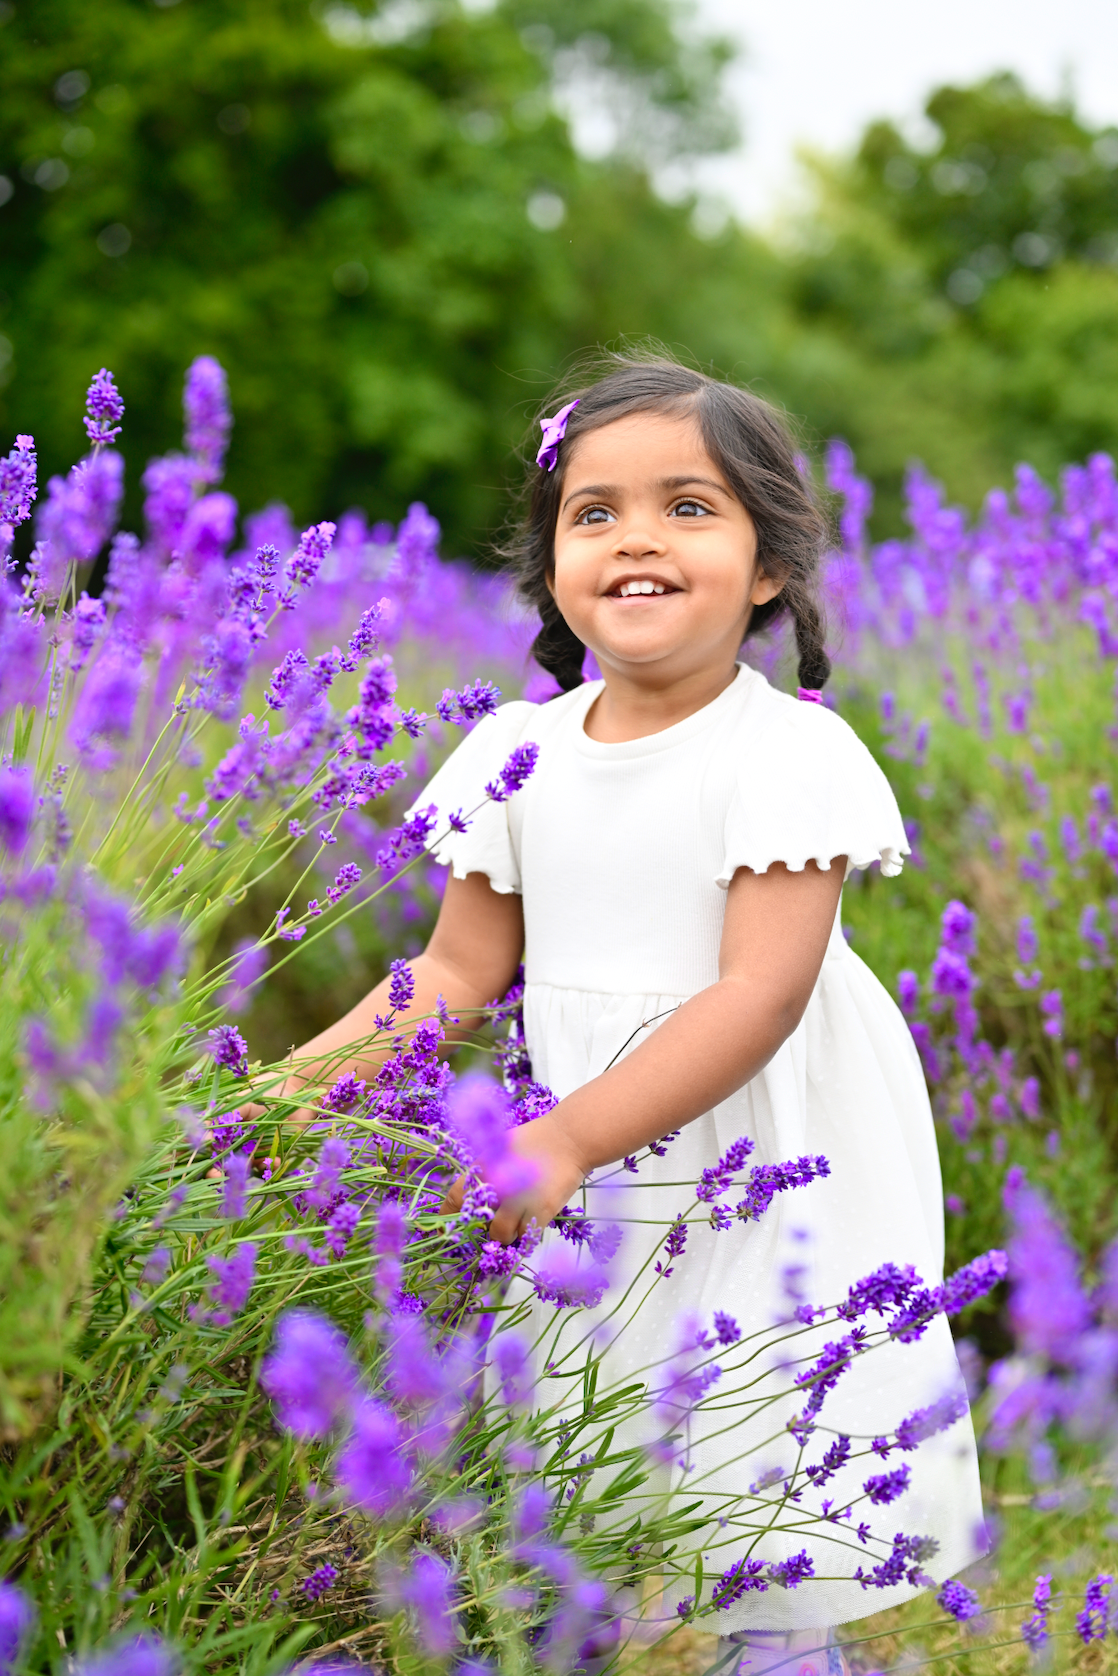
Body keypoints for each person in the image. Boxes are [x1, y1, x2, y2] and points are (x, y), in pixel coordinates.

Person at [278, 353, 983, 1673]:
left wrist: (565, 1139)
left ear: (767, 568)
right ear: (547, 563)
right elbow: (448, 974)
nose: (635, 537)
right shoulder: (513, 755)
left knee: (765, 1441)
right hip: (592, 1174)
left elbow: (759, 994)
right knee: (561, 1435)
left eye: (687, 507)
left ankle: (775, 1650)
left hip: (770, 1161)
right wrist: (282, 1092)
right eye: (592, 512)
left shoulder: (784, 752)